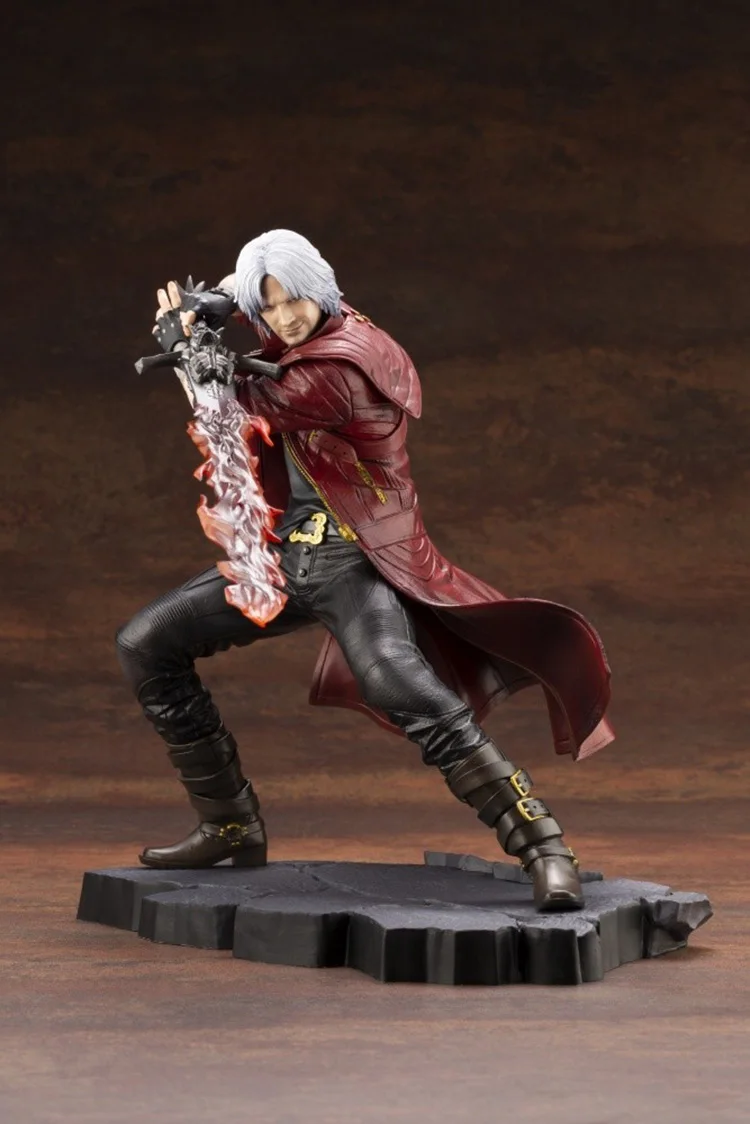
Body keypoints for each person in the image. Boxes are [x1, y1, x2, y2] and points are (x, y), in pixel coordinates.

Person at [115, 229, 614, 912]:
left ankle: (546, 848)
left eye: (294, 301)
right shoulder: (315, 324)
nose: (285, 319)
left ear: (321, 291)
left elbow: (233, 408)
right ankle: (229, 825)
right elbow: (252, 295)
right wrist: (221, 302)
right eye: (270, 307)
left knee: (403, 688)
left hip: (357, 562)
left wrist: (190, 347)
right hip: (285, 557)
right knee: (146, 642)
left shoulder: (341, 370)